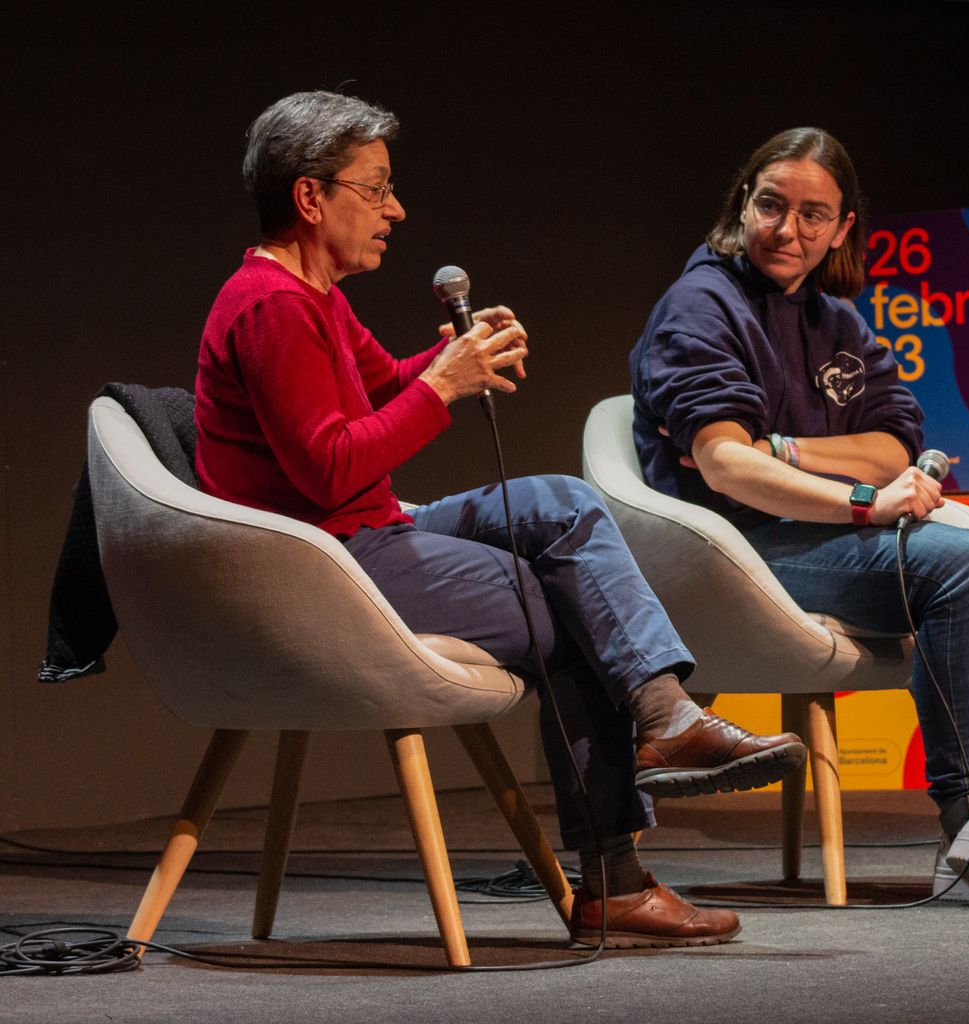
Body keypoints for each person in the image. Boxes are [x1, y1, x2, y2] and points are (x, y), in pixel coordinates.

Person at [195, 91, 807, 947]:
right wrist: (447, 384)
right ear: (310, 197)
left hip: (373, 536)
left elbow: (384, 386)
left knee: (562, 505)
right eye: (376, 189)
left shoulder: (316, 296)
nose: (394, 209)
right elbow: (328, 466)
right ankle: (615, 875)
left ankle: (664, 717)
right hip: (329, 566)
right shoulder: (271, 306)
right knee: (570, 597)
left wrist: (455, 355)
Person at [630, 128, 969, 904]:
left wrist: (784, 450)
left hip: (825, 538)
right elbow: (724, 465)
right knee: (961, 565)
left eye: (814, 215)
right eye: (771, 206)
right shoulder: (700, 306)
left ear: (845, 226)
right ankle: (968, 822)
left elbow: (893, 446)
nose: (789, 231)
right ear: (742, 204)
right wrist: (861, 498)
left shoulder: (835, 318)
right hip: (741, 554)